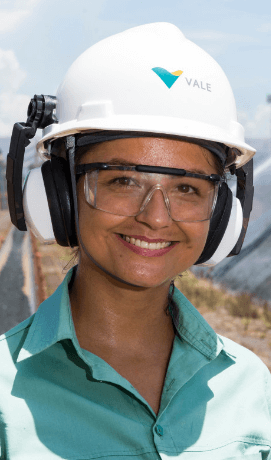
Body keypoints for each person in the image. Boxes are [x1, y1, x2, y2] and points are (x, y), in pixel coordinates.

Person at [1, 22, 271, 459]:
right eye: (123, 180)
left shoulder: (251, 388)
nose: (155, 217)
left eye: (187, 188)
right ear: (60, 196)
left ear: (223, 214)